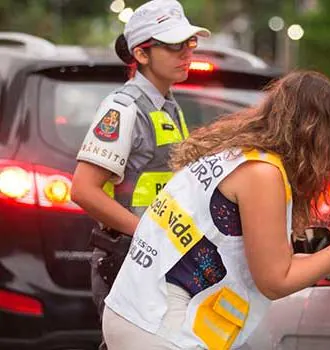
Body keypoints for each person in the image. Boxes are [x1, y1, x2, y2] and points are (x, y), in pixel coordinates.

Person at [102, 71, 330, 349]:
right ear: (311, 128)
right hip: (162, 329)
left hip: (138, 312)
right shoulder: (263, 174)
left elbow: (269, 260)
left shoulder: (242, 155)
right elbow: (275, 280)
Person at [70, 1, 210, 349]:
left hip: (157, 258)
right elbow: (83, 190)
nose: (186, 52)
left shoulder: (169, 104)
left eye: (190, 43)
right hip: (127, 259)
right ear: (142, 54)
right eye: (174, 45)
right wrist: (149, 235)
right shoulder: (124, 107)